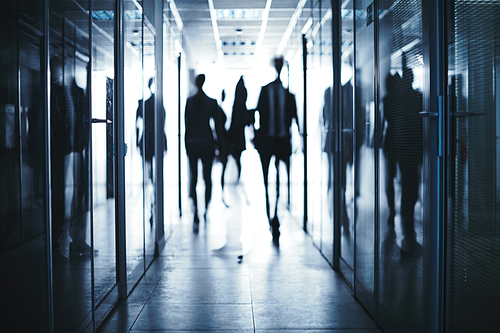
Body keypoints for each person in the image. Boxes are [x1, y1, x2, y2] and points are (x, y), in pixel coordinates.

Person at [253, 57, 298, 238]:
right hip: (267, 140)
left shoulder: (288, 95)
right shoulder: (265, 91)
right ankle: (269, 213)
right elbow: (257, 113)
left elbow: (294, 119)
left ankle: (276, 212)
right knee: (266, 179)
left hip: (281, 140)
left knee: (280, 178)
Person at [185, 74, 226, 225]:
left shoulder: (190, 102)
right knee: (207, 178)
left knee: (195, 178)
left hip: (194, 143)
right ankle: (205, 208)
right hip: (206, 144)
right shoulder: (211, 102)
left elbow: (187, 126)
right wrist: (221, 148)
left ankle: (197, 208)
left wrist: (187, 146)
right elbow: (218, 128)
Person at [136, 77, 167, 226]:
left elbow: (139, 124)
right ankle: (152, 205)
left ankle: (153, 205)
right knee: (151, 176)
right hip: (151, 141)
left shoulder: (147, 104)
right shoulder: (154, 104)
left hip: (149, 141)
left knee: (151, 175)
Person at [224, 76, 252, 185]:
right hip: (238, 136)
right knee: (236, 157)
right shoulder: (240, 107)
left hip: (237, 136)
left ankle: (235, 176)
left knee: (235, 157)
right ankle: (236, 176)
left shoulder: (237, 107)